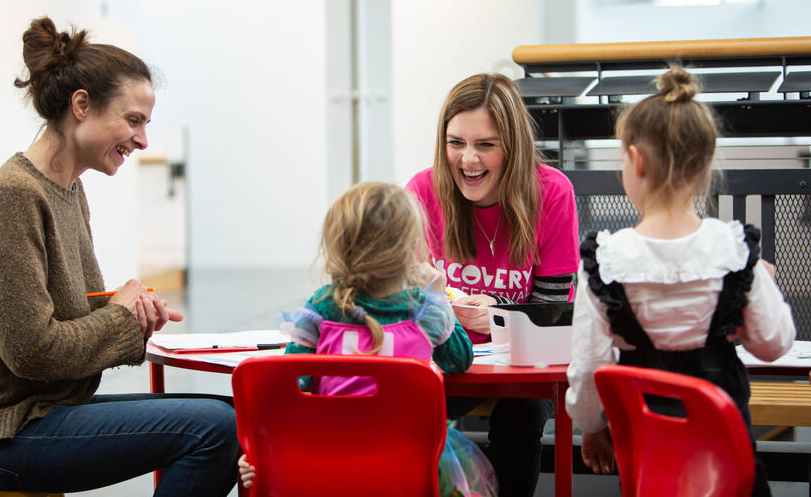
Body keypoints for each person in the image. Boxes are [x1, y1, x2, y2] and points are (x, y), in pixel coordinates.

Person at [0, 17, 240, 496]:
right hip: (3, 434)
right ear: (81, 105)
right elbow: (32, 352)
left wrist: (126, 309)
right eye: (133, 120)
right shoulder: (11, 197)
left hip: (48, 413)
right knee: (213, 429)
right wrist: (119, 318)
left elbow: (69, 316)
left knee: (229, 418)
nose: (143, 139)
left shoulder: (68, 189)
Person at [565, 66, 795, 496]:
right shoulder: (734, 252)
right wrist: (758, 285)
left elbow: (589, 368)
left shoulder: (607, 259)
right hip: (728, 467)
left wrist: (591, 427)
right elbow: (774, 343)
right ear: (705, 164)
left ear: (637, 160)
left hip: (650, 468)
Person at [238, 182, 497, 497]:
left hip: (322, 463)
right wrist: (438, 295)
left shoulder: (322, 307)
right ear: (413, 248)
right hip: (407, 467)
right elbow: (459, 360)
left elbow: (291, 385)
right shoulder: (425, 312)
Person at [405, 72, 580, 496]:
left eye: (486, 145)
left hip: (523, 363)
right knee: (409, 415)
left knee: (519, 421)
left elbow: (555, 311)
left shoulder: (552, 193)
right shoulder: (422, 190)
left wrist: (499, 312)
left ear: (513, 147)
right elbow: (399, 301)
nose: (468, 160)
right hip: (446, 358)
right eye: (456, 143)